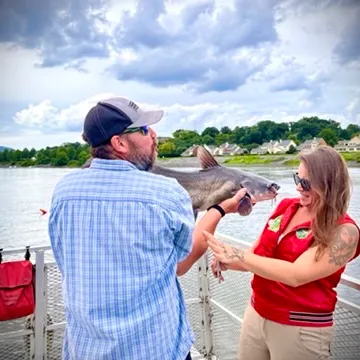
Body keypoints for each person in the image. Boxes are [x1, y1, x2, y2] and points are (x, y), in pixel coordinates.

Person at [48, 96, 248, 360]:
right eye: (143, 130)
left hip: (85, 349)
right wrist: (220, 209)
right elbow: (180, 265)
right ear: (119, 143)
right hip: (154, 347)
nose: (154, 135)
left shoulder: (64, 191)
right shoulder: (166, 193)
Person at [204, 145, 360, 360]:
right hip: (257, 312)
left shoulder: (344, 231)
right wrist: (227, 260)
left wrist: (238, 255)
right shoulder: (287, 207)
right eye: (297, 179)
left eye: (305, 182)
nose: (298, 188)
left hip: (300, 327)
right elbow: (257, 255)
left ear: (328, 184)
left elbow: (296, 275)